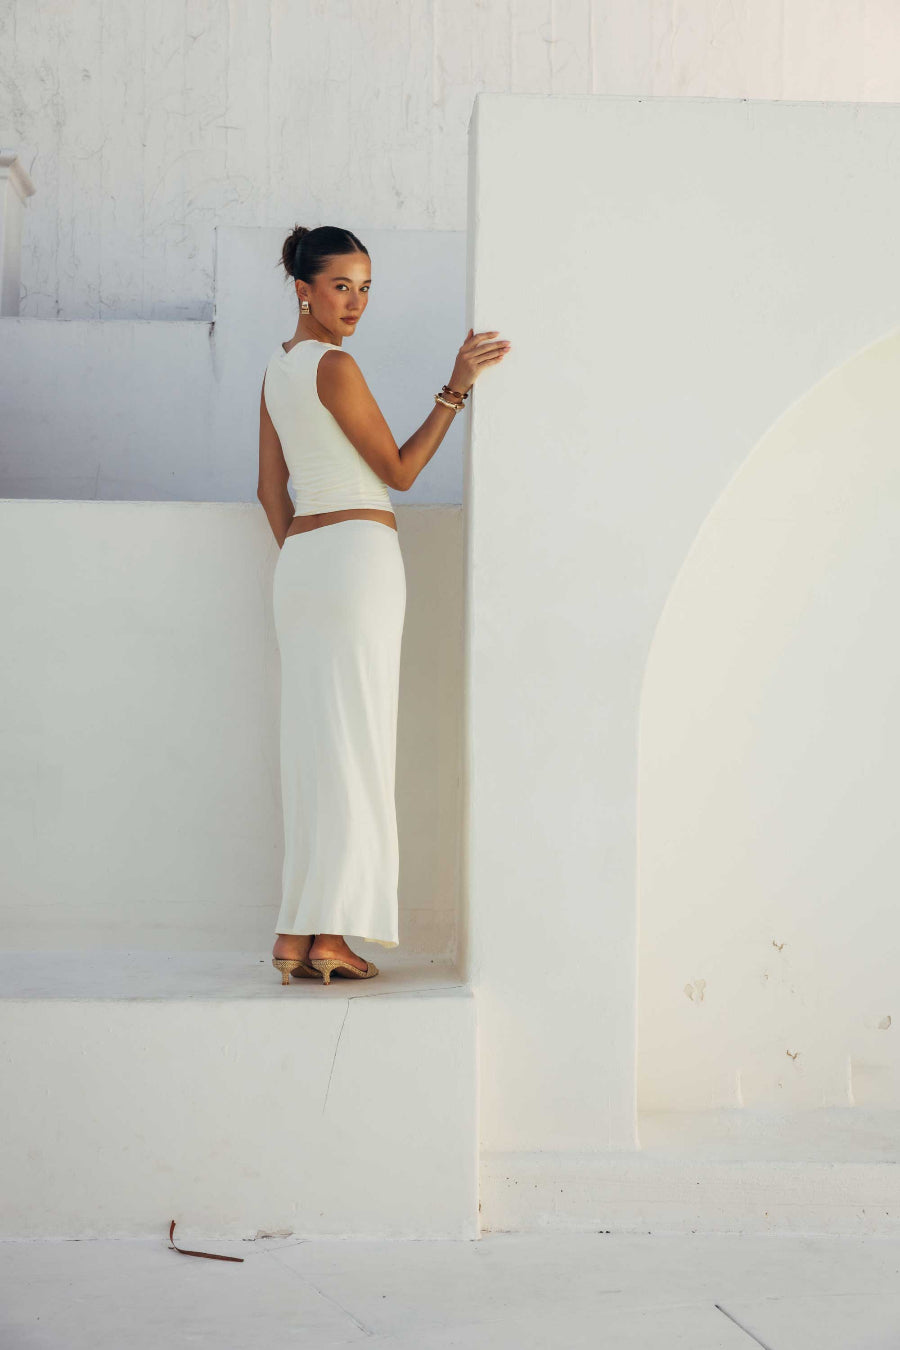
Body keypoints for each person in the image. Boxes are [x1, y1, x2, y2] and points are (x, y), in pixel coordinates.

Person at [258, 223, 511, 985]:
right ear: (303, 288)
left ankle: (296, 934)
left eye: (366, 289)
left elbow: (271, 493)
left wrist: (309, 559)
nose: (355, 303)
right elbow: (399, 471)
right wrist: (456, 387)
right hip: (356, 563)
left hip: (302, 567)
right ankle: (333, 937)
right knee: (357, 746)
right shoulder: (334, 367)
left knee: (313, 748)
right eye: (342, 286)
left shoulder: (276, 371)